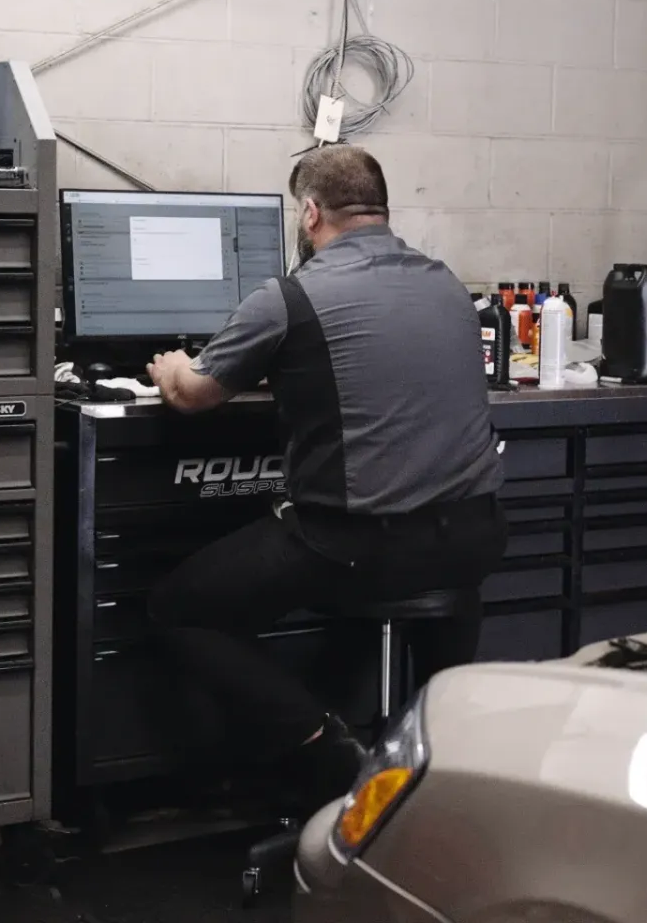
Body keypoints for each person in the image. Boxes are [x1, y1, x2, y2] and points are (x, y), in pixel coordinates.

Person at [144, 144, 507, 803]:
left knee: (178, 609)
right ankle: (434, 767)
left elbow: (193, 394)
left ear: (310, 213)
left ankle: (322, 746)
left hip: (361, 545)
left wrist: (171, 366)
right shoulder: (448, 284)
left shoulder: (292, 295)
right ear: (380, 209)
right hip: (470, 540)